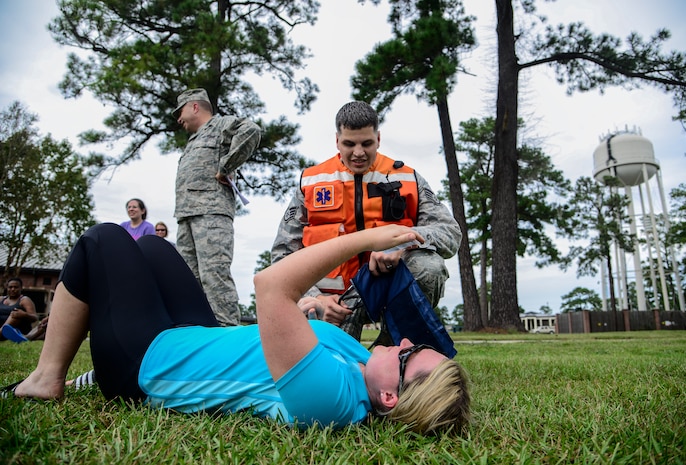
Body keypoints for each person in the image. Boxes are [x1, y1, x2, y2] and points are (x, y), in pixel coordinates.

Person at [7, 223, 469, 435]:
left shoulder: (331, 401)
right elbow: (290, 330)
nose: (404, 340)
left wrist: (368, 237)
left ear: (390, 398)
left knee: (101, 241)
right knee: (151, 247)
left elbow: (269, 287)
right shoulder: (366, 367)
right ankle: (78, 377)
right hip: (197, 335)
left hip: (148, 362)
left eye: (409, 355)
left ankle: (48, 378)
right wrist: (313, 306)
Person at [271, 101, 462, 341]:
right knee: (331, 372)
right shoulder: (311, 182)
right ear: (337, 140)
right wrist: (315, 297)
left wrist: (403, 243)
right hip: (332, 303)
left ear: (378, 138)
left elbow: (449, 233)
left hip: (389, 290)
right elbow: (282, 255)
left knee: (429, 267)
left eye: (367, 143)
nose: (358, 153)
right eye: (349, 144)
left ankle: (396, 349)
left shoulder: (408, 178)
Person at [173, 88, 262, 326]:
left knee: (214, 278)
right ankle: (198, 335)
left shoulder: (220, 125)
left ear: (194, 106)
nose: (178, 119)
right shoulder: (194, 139)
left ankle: (228, 335)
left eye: (180, 111)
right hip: (186, 217)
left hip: (211, 214)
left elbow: (251, 130)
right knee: (189, 282)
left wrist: (226, 165)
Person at [0, 277, 38, 342]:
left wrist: (23, 314)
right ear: (7, 288)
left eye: (16, 287)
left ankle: (3, 332)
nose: (13, 289)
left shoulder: (24, 300)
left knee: (14, 314)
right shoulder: (1, 299)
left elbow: (35, 317)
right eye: (10, 287)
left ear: (21, 288)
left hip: (16, 328)